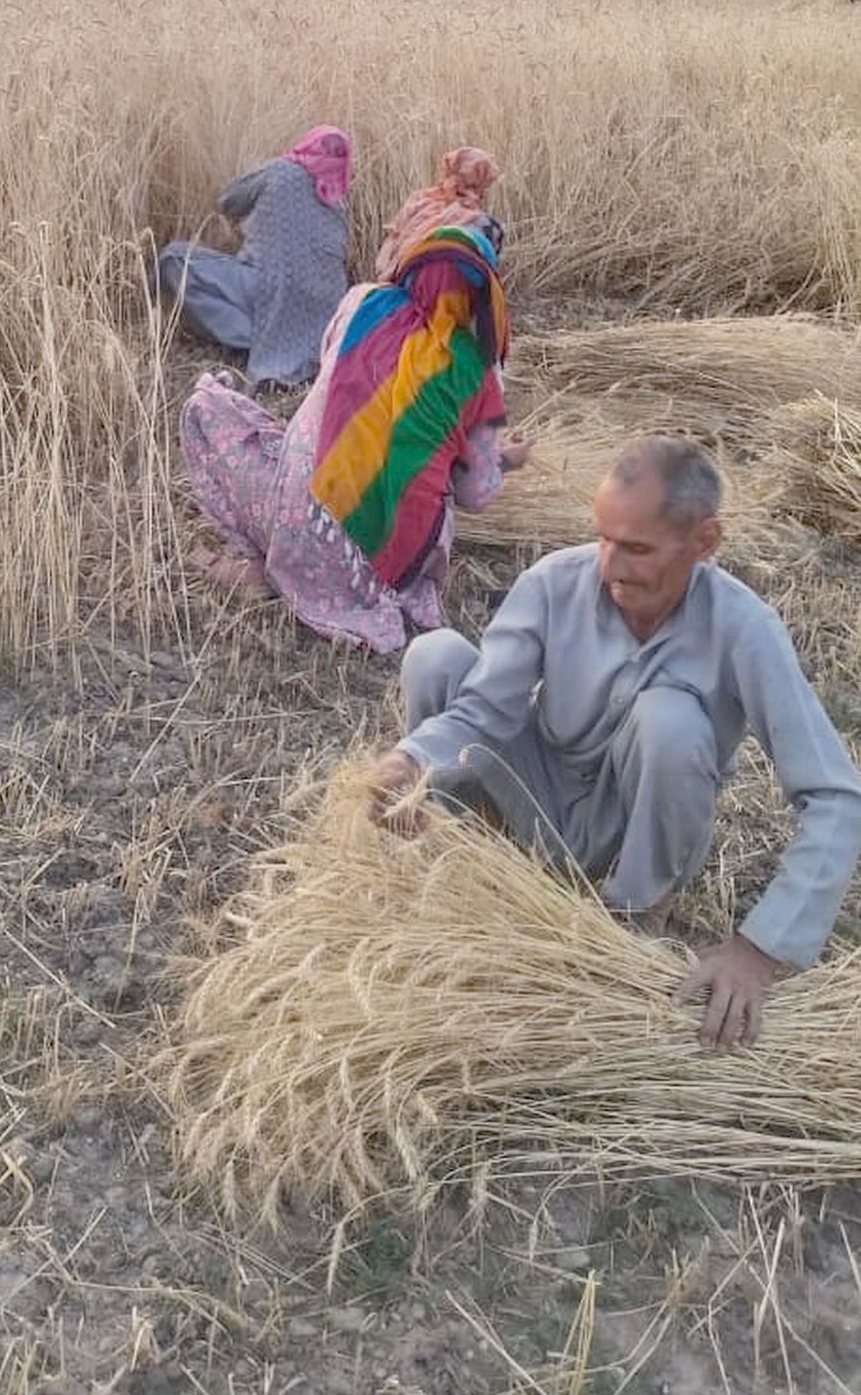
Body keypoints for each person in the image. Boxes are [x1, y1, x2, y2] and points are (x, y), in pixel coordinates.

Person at [367, 435, 861, 1048]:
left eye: (637, 548)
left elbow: (838, 797)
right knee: (436, 656)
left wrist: (760, 948)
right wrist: (408, 761)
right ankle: (458, 869)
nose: (611, 565)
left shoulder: (743, 627)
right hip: (534, 798)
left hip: (625, 830)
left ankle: (632, 920)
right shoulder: (554, 583)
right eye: (603, 537)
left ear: (704, 542)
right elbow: (482, 713)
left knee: (672, 722)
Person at [180, 225, 533, 654]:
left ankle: (275, 567)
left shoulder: (362, 303)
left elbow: (332, 376)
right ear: (484, 294)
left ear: (412, 266)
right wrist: (505, 460)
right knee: (426, 486)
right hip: (388, 571)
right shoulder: (478, 368)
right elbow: (474, 492)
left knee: (209, 406)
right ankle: (314, 579)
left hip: (299, 525)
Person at [157, 125, 352, 389]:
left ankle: (252, 340)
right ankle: (277, 342)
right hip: (325, 316)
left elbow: (228, 200)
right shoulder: (339, 201)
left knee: (173, 259)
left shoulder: (281, 171)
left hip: (264, 288)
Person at [375, 146, 501, 281]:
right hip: (441, 288)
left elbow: (394, 238)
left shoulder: (419, 199)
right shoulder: (483, 223)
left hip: (398, 278)